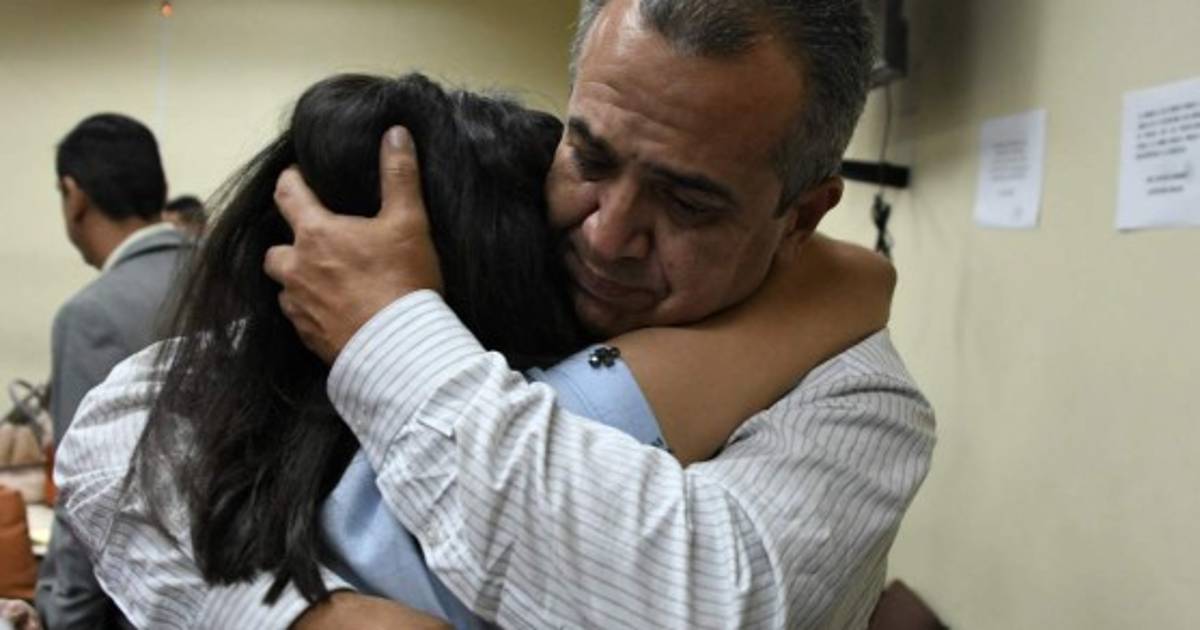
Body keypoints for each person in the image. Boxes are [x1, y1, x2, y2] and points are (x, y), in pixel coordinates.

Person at [66, 0, 937, 626]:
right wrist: (297, 616)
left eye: (688, 202)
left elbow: (708, 602)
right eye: (590, 157)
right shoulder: (512, 232)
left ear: (803, 215)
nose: (607, 236)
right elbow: (115, 439)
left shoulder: (853, 402)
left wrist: (390, 340)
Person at [36, 114, 190, 629]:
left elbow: (84, 501)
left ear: (74, 195)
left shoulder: (92, 314)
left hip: (140, 609)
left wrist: (62, 618)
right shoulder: (235, 278)